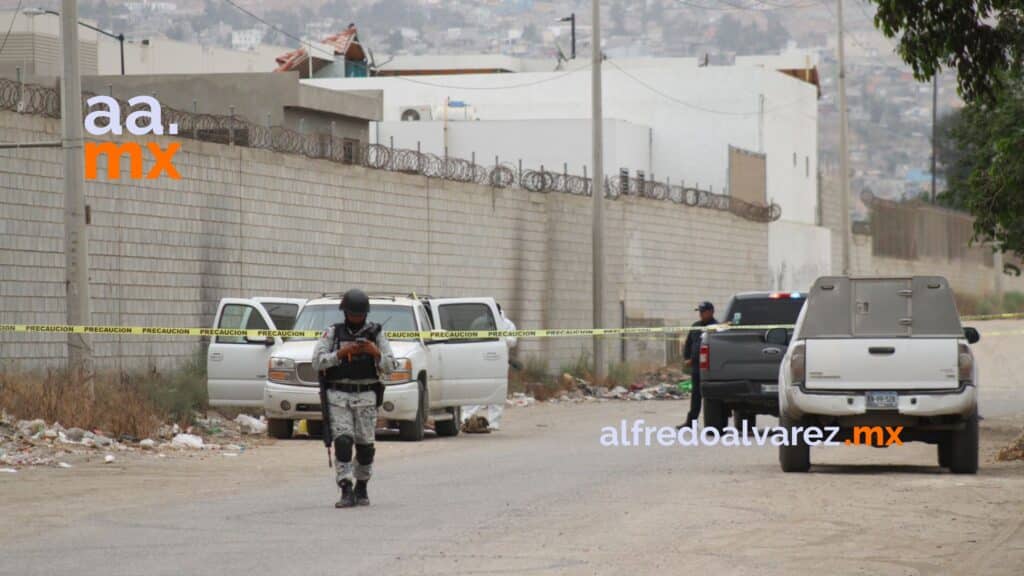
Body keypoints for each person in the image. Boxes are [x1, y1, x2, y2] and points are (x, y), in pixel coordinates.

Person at [314, 288, 394, 508]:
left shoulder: (376, 334)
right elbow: (317, 362)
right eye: (353, 314)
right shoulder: (333, 333)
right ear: (345, 313)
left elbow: (390, 366)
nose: (357, 318)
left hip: (366, 395)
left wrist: (374, 352)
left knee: (366, 446)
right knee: (343, 441)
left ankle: (362, 485)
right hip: (339, 396)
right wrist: (339, 354)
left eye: (360, 314)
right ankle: (346, 487)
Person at [462, 303, 517, 431]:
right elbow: (471, 338)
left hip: (499, 361)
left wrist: (501, 337)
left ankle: (494, 422)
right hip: (481, 360)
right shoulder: (479, 322)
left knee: (497, 391)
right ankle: (467, 417)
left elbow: (513, 341)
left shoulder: (507, 324)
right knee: (476, 389)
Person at [678, 301, 718, 429]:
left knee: (712, 397)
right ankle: (691, 422)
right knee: (696, 395)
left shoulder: (717, 327)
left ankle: (714, 423)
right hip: (696, 368)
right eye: (699, 312)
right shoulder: (695, 326)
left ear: (711, 312)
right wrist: (687, 358)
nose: (700, 314)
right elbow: (688, 344)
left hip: (711, 368)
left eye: (703, 311)